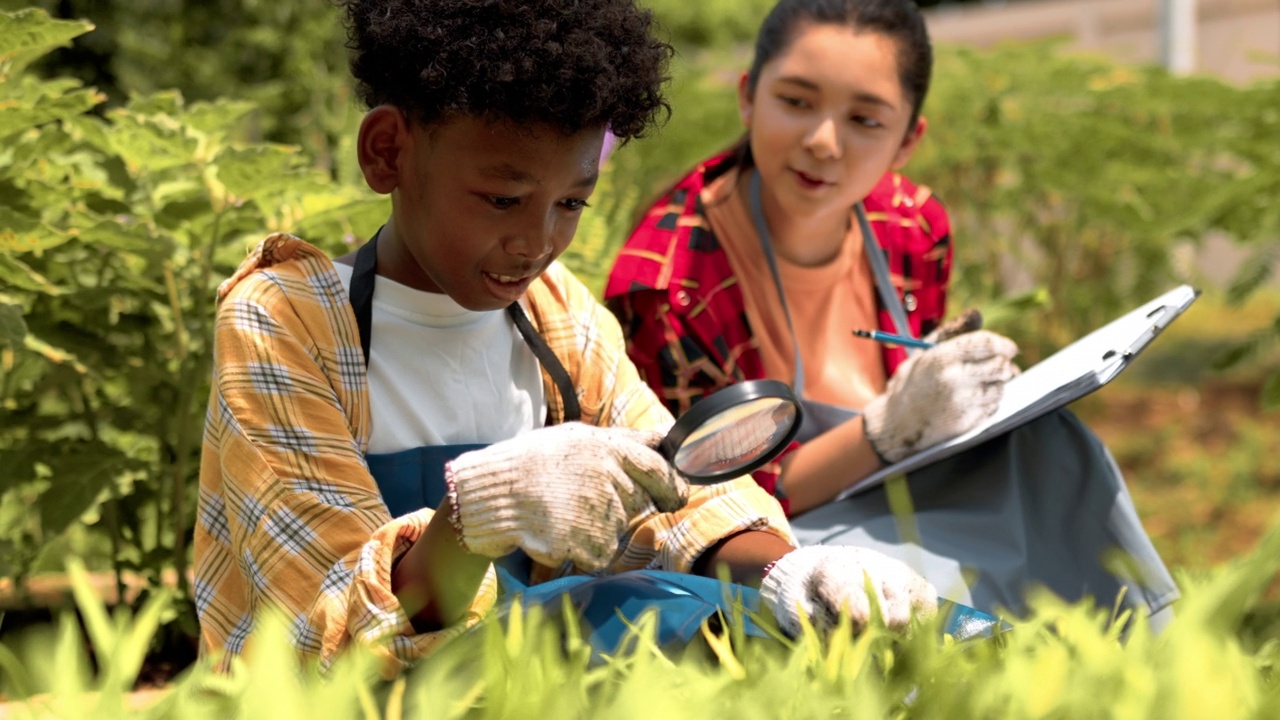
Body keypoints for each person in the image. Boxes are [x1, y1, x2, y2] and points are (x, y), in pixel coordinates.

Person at [193, 0, 940, 677]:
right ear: (389, 151)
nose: (536, 241)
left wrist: (789, 575)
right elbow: (329, 626)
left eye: (571, 202)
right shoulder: (286, 321)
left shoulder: (557, 316)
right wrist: (481, 512)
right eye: (503, 199)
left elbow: (676, 496)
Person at [605, 0, 1179, 623]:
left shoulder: (912, 225)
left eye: (864, 120)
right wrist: (888, 428)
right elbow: (700, 506)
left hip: (896, 487)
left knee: (1051, 441)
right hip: (778, 543)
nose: (823, 142)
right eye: (795, 102)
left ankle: (1138, 633)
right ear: (748, 98)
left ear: (908, 140)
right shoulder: (670, 283)